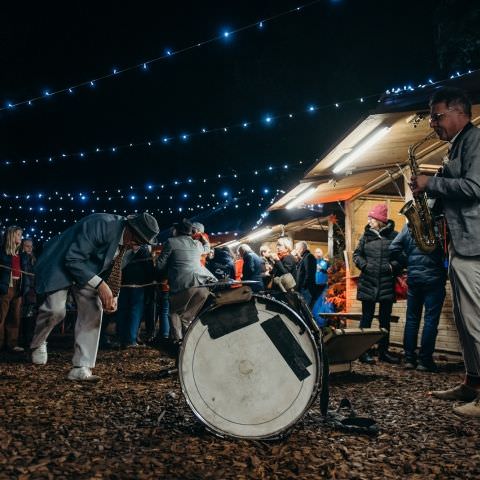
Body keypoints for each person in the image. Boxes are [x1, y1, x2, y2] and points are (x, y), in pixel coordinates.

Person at [411, 87, 480, 416]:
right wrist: (430, 199)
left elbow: (474, 188)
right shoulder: (456, 147)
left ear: (459, 112)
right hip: (459, 244)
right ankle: (472, 382)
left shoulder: (475, 140)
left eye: (437, 116)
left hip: (474, 243)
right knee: (464, 322)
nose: (433, 124)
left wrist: (431, 184)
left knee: (475, 320)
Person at [30, 212, 159, 381]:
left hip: (90, 272)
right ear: (129, 228)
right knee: (56, 310)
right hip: (62, 263)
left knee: (94, 308)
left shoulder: (134, 245)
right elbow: (73, 259)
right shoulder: (101, 224)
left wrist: (114, 295)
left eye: (142, 244)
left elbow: (115, 268)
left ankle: (81, 367)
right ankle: (38, 343)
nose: (136, 247)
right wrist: (100, 285)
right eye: (137, 240)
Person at [389, 224, 447, 372]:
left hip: (414, 278)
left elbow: (393, 247)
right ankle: (425, 360)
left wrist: (408, 261)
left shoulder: (409, 227)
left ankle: (409, 359)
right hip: (434, 277)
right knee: (430, 320)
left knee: (412, 319)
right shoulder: (440, 226)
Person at [353, 204, 400, 364]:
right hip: (368, 281)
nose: (369, 221)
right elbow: (357, 255)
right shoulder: (365, 236)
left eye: (371, 218)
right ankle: (363, 352)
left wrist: (392, 266)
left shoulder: (394, 236)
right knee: (366, 318)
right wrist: (364, 265)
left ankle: (383, 352)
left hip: (387, 282)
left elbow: (402, 256)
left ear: (380, 220)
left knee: (384, 319)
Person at [156, 218, 216, 344]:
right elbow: (207, 248)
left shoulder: (171, 242)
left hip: (183, 284)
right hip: (203, 285)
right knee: (187, 317)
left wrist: (166, 271)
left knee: (174, 313)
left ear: (177, 230)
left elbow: (160, 265)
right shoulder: (197, 244)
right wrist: (203, 238)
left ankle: (178, 343)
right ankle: (190, 343)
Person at [116, 244, 155, 348]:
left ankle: (121, 338)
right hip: (138, 285)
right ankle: (131, 340)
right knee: (135, 312)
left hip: (123, 284)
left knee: (122, 311)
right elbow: (149, 269)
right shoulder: (144, 251)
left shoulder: (122, 249)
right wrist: (151, 283)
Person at [0, 226, 30, 353]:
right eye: (18, 234)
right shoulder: (2, 253)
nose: (20, 237)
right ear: (11, 236)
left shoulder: (22, 256)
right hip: (6, 286)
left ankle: (12, 344)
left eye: (21, 234)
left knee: (15, 317)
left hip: (19, 287)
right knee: (1, 316)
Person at [295, 241, 320, 307]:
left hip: (306, 290)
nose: (296, 251)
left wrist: (304, 286)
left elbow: (309, 273)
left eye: (297, 249)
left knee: (305, 308)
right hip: (304, 289)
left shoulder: (309, 257)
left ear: (302, 249)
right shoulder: (304, 257)